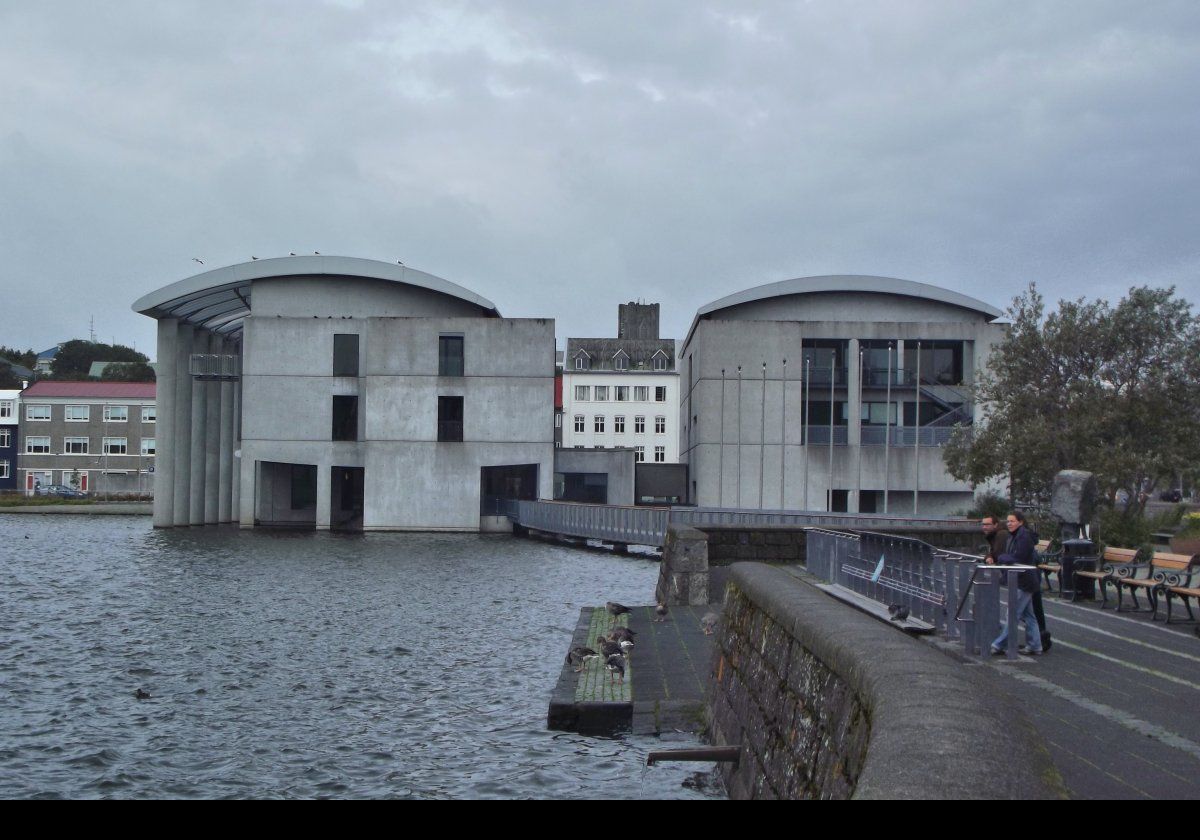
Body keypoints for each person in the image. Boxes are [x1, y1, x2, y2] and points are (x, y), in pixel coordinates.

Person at [991, 510, 1043, 656]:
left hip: (1024, 580)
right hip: (1022, 580)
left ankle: (999, 644)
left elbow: (1019, 557)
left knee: (1013, 613)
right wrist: (1004, 557)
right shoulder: (1014, 536)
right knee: (1028, 615)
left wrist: (1003, 558)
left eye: (1012, 521)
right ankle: (1035, 645)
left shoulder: (1023, 537)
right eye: (1008, 521)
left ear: (1020, 522)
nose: (1009, 524)